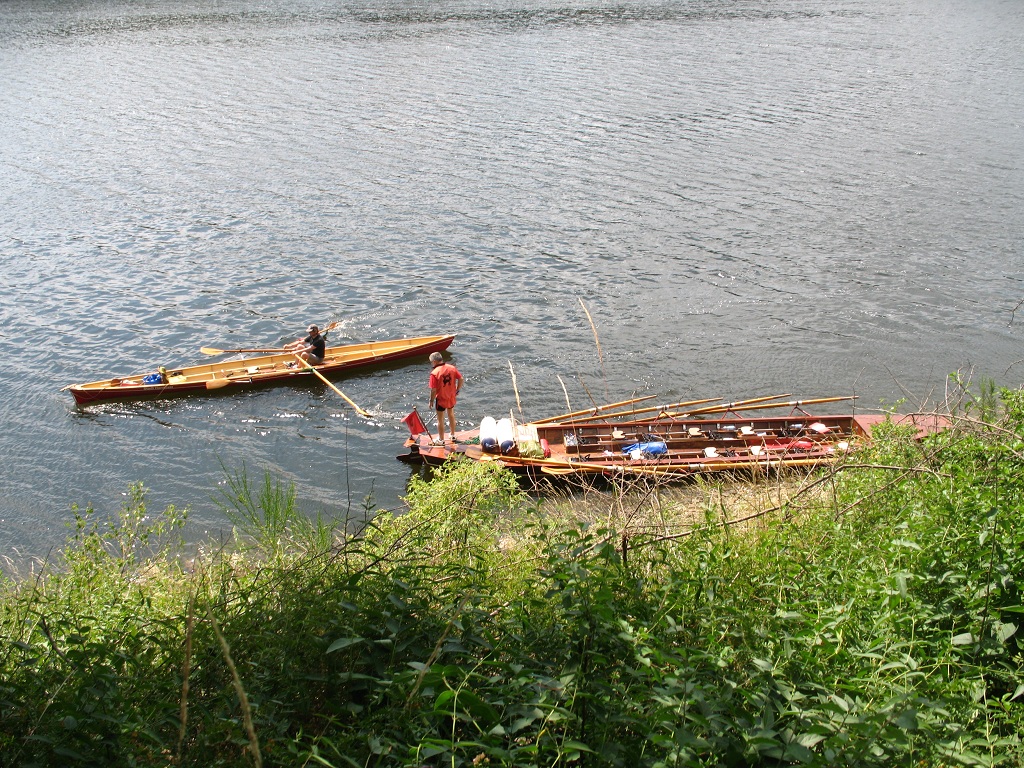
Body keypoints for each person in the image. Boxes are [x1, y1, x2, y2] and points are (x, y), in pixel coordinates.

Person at [428, 351, 463, 444]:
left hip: (441, 398)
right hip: (451, 396)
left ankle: (441, 439)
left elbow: (433, 390)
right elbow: (461, 378)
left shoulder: (434, 373)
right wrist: (457, 390)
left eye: (431, 362)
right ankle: (452, 435)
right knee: (451, 415)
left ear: (434, 362)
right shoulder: (452, 368)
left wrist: (431, 400)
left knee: (440, 419)